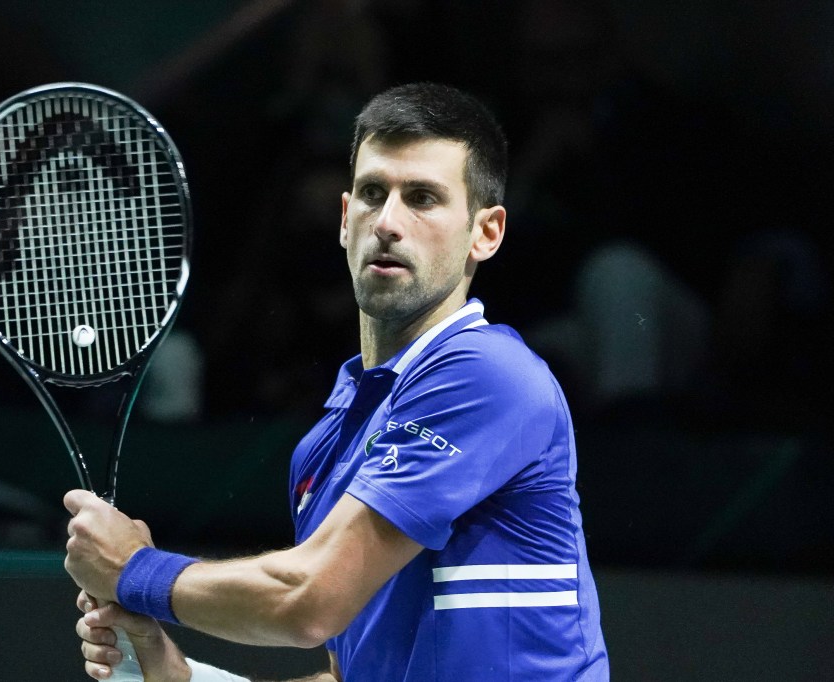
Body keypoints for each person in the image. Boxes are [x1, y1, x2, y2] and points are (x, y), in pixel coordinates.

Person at [64, 82, 609, 681]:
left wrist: (134, 571)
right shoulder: (327, 446)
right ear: (346, 219)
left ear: (487, 232)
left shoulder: (486, 375)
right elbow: (346, 673)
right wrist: (174, 671)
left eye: (423, 198)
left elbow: (310, 600)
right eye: (374, 194)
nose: (390, 222)